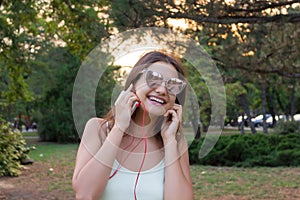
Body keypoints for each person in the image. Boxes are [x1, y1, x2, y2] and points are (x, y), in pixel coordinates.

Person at [72, 51, 194, 200]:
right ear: (133, 83)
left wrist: (169, 141)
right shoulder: (98, 129)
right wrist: (119, 128)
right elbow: (85, 195)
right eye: (153, 78)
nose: (162, 90)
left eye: (173, 85)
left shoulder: (177, 143)